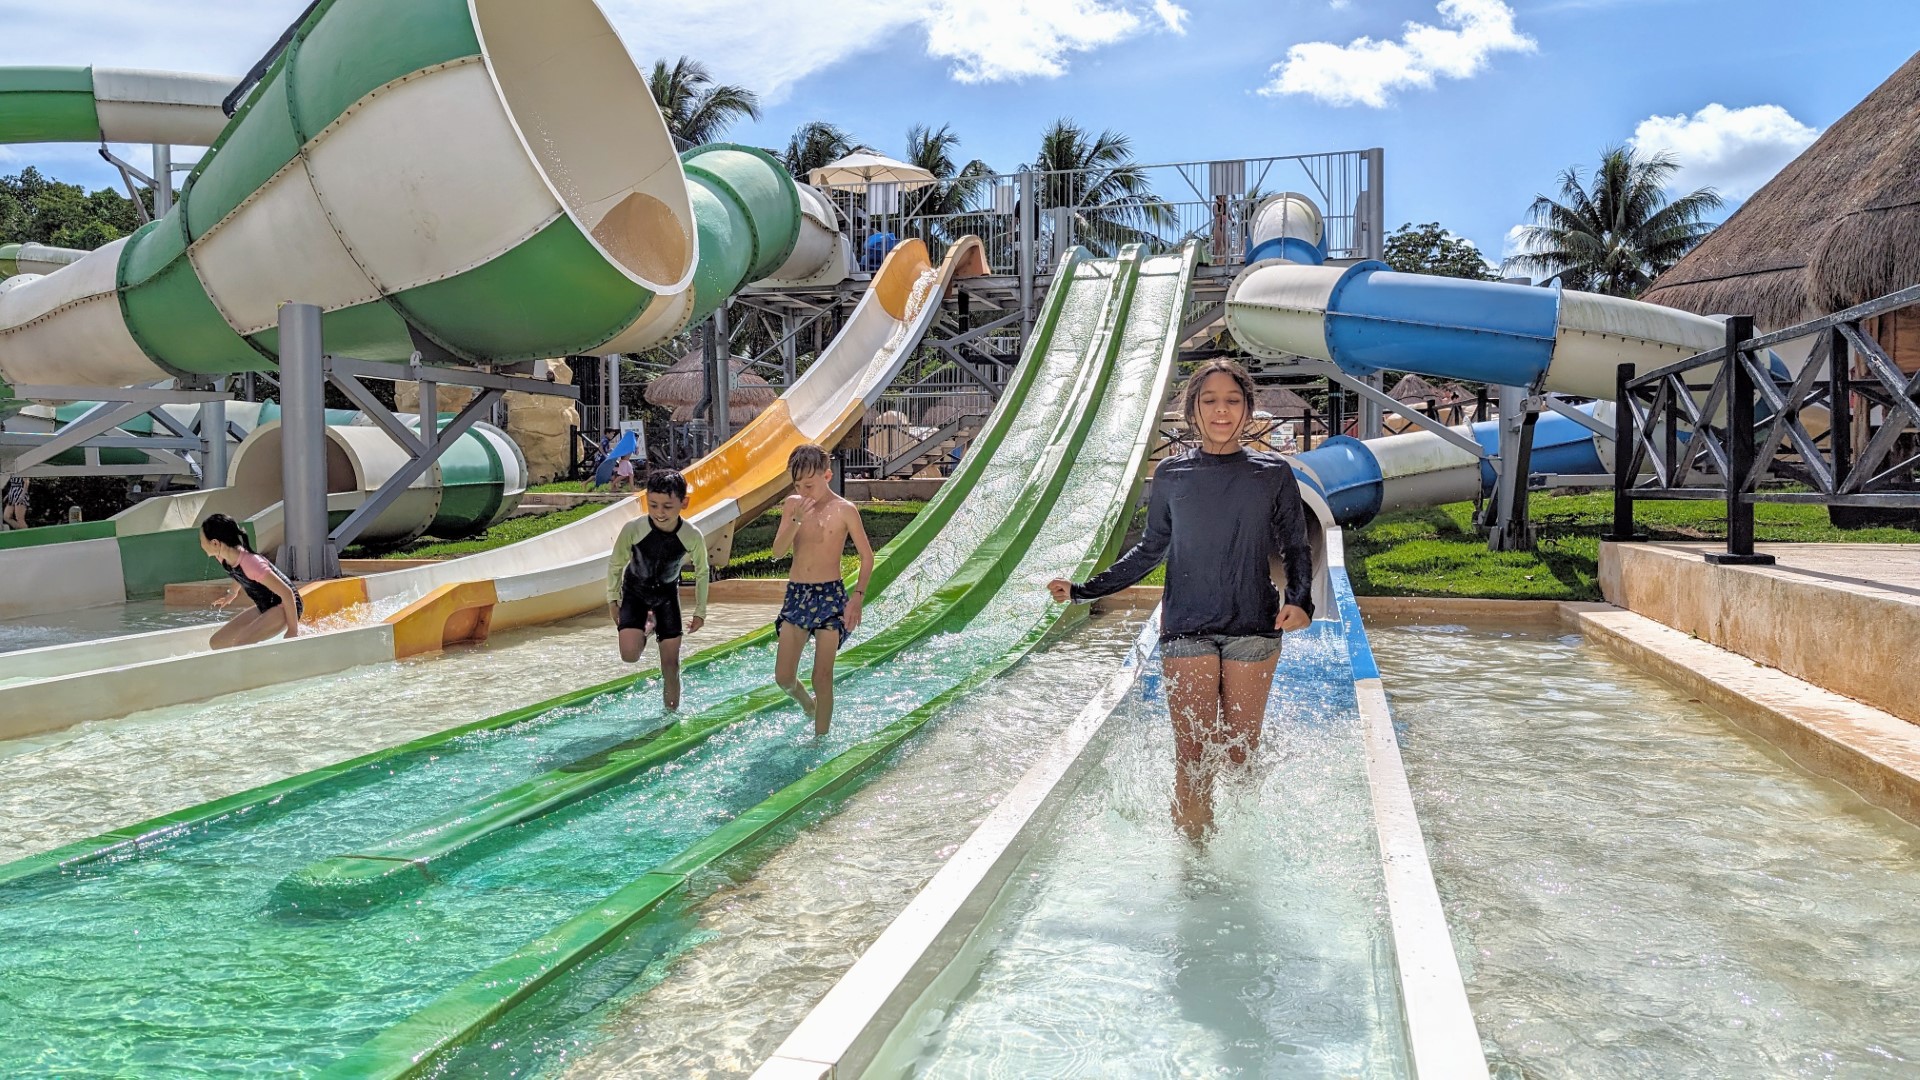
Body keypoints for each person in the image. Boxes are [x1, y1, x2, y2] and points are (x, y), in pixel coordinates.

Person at [1048, 359, 1316, 840]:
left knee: (1239, 752)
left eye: (1232, 400)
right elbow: (1151, 549)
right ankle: (1193, 859)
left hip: (1253, 627)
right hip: (1186, 627)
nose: (1221, 410)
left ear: (1248, 409)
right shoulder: (1172, 474)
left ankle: (1244, 846)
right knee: (1191, 754)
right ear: (1192, 408)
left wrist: (1301, 601)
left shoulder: (1272, 473)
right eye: (1209, 400)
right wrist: (1085, 590)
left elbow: (1295, 545)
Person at [771, 444, 874, 735]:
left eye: (810, 485)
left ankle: (820, 740)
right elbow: (777, 552)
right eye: (798, 485)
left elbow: (867, 557)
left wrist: (857, 598)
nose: (804, 492)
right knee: (784, 677)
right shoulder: (793, 506)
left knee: (822, 675)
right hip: (797, 595)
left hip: (831, 597)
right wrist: (795, 522)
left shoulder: (844, 510)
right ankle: (809, 706)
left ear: (827, 475)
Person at [606, 468, 709, 711]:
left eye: (667, 506)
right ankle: (647, 627)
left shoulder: (691, 535)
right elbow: (616, 563)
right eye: (653, 505)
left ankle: (670, 717)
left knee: (671, 666)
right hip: (635, 593)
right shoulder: (634, 529)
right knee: (629, 655)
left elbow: (702, 572)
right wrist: (612, 598)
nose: (660, 513)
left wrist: (700, 611)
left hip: (666, 597)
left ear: (684, 503)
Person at [200, 513, 303, 649]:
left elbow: (287, 593)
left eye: (201, 540)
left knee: (241, 644)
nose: (201, 544)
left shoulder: (252, 563)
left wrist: (293, 631)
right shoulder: (223, 557)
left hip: (285, 606)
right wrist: (232, 593)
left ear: (215, 543)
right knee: (217, 642)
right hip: (265, 606)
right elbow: (238, 572)